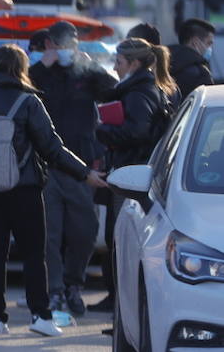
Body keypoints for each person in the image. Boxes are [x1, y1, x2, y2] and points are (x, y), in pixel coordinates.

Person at [0, 45, 108, 338]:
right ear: (19, 70)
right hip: (22, 189)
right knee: (34, 255)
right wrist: (85, 173)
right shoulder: (28, 102)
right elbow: (52, 147)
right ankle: (40, 315)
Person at [27, 21, 117, 318]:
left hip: (81, 164)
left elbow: (112, 92)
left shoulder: (86, 73)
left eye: (70, 44)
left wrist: (91, 67)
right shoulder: (39, 73)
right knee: (49, 233)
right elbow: (21, 91)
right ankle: (54, 291)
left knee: (84, 230)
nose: (65, 50)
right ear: (50, 45)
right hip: (46, 163)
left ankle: (73, 284)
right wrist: (41, 66)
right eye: (60, 44)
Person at [88, 37, 177, 315]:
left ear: (135, 64)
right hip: (129, 170)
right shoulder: (136, 88)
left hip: (131, 174)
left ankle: (121, 302)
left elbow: (137, 132)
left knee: (122, 241)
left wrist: (102, 129)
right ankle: (117, 300)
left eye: (119, 62)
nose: (115, 67)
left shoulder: (139, 92)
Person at [170, 18, 216, 104]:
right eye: (209, 43)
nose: (210, 48)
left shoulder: (162, 65)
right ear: (195, 42)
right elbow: (209, 104)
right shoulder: (201, 73)